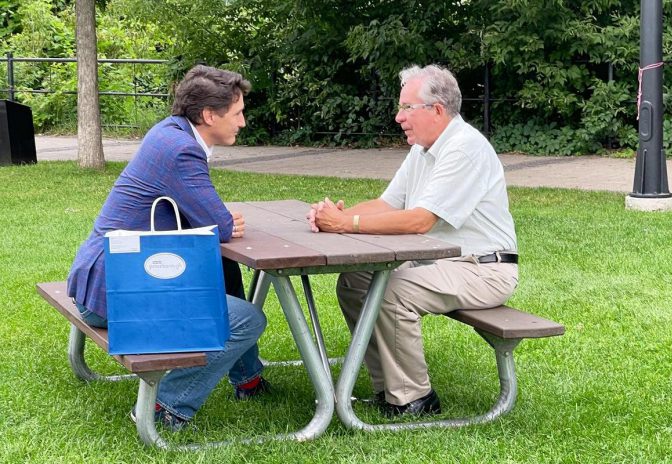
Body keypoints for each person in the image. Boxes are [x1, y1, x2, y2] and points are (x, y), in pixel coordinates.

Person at [307, 64, 518, 417]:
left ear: (437, 110)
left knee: (392, 290)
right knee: (356, 281)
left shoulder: (463, 149)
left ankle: (415, 398)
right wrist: (333, 220)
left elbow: (420, 220)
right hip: (441, 263)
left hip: (484, 269)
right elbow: (386, 204)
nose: (398, 116)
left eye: (407, 108)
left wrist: (345, 222)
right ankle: (387, 386)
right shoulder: (422, 149)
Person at [67, 65, 269, 431]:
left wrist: (217, 220)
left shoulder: (169, 131)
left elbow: (207, 221)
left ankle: (249, 380)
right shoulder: (181, 150)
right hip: (115, 293)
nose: (243, 121)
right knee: (247, 319)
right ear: (210, 115)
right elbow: (221, 225)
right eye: (238, 113)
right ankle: (165, 407)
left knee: (223, 270)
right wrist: (223, 221)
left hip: (102, 275)